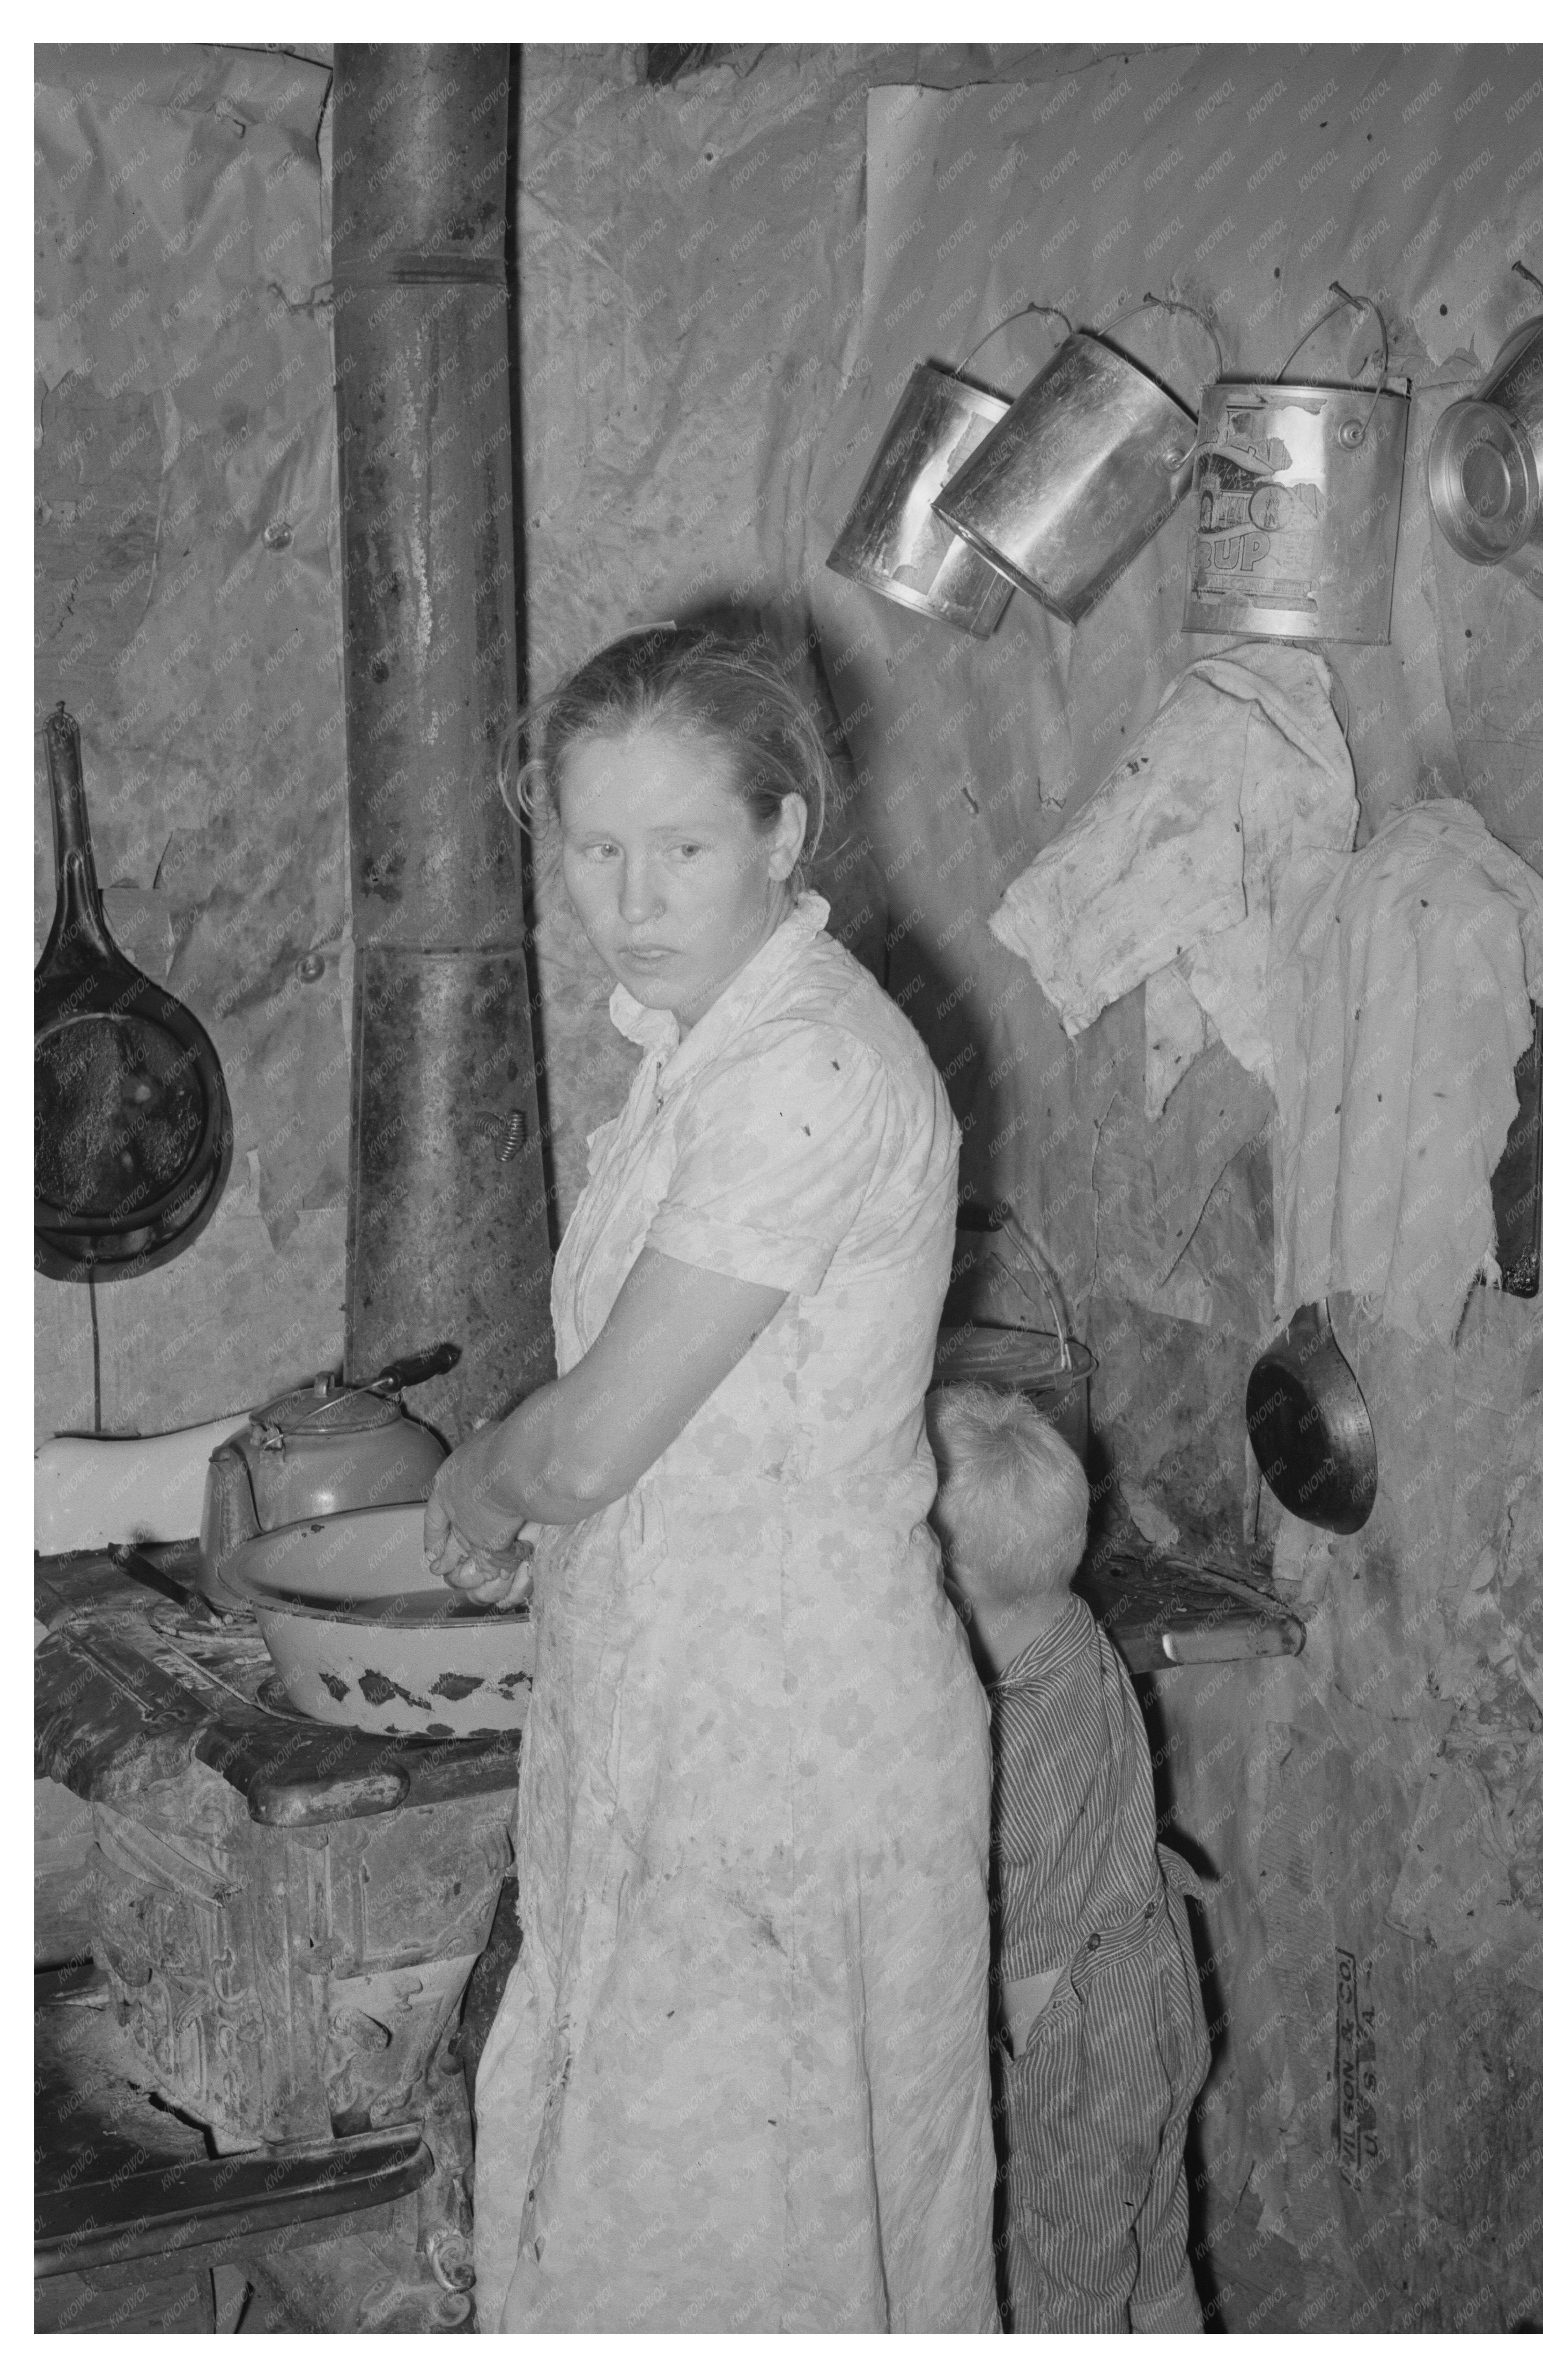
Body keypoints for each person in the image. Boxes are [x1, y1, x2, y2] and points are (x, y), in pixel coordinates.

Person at [424, 622, 998, 2333]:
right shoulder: (705, 1051)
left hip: (791, 1759)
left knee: (766, 2261)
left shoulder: (808, 1071)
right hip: (684, 1718)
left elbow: (597, 1434)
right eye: (593, 848)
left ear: (781, 832)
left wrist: (488, 1479)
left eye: (681, 846)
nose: (629, 893)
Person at [925, 1382, 1211, 2335]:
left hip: (1082, 2059)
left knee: (1066, 2292)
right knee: (1154, 2251)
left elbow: (1029, 1981)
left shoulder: (1011, 1742)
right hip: (1157, 1989)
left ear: (944, 1580)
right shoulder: (1069, 1629)